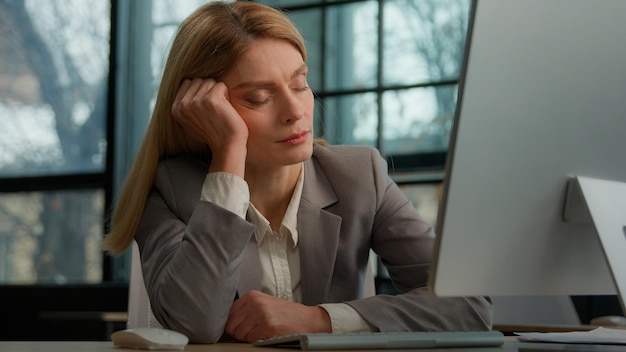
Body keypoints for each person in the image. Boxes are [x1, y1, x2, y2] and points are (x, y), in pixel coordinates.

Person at [102, 0, 492, 344]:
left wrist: (319, 320)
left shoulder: (360, 175)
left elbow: (470, 307)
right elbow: (194, 323)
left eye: (300, 83)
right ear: (204, 111)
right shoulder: (169, 189)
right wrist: (230, 150)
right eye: (259, 97)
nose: (295, 111)